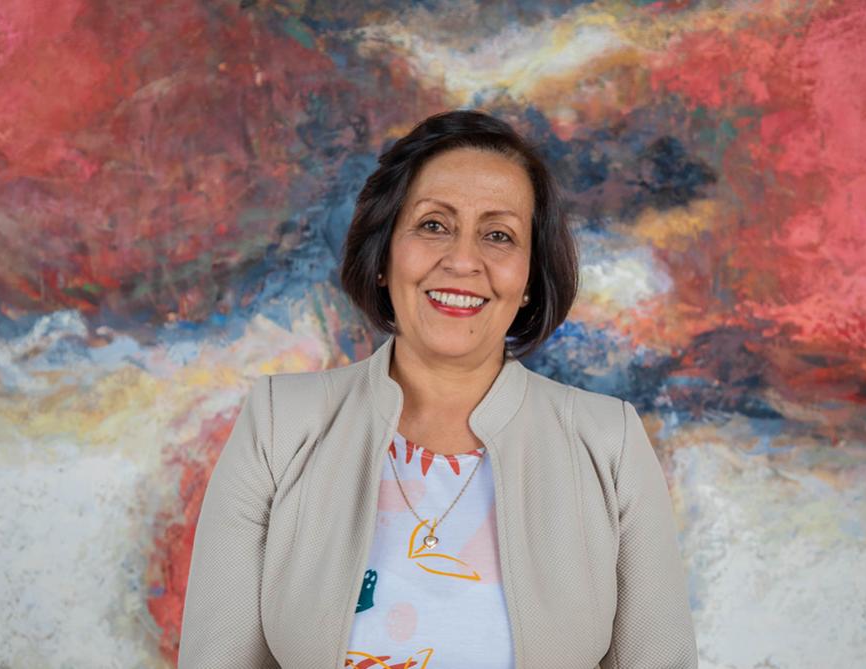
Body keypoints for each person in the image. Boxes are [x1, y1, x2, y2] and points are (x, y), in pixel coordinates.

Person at [178, 110, 698, 668]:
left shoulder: (608, 444)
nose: (463, 260)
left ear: (528, 279)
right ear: (384, 255)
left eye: (498, 236)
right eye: (433, 225)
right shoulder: (279, 425)